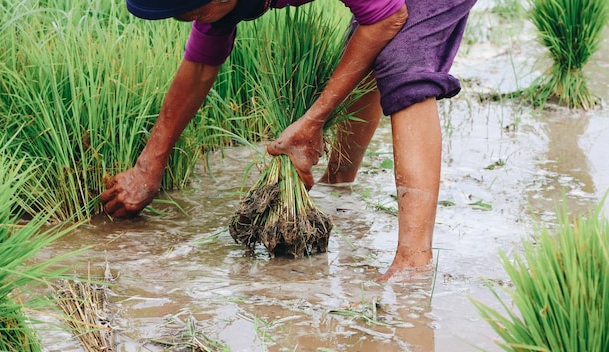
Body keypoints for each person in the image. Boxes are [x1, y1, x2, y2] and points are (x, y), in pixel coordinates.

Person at [100, 0, 477, 282]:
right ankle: (340, 185)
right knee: (366, 51)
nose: (193, 19)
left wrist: (313, 121)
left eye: (194, 10)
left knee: (403, 62)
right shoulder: (218, 6)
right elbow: (199, 66)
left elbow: (387, 17)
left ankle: (413, 265)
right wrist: (149, 164)